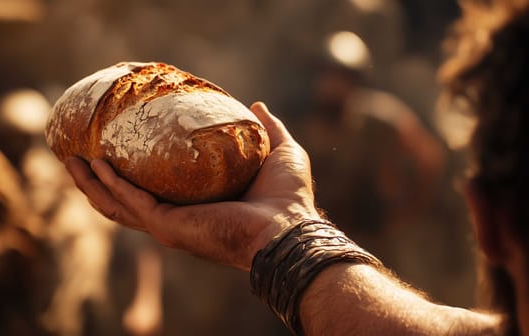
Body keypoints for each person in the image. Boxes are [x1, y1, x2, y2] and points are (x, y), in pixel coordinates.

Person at [65, 0, 528, 334]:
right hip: (326, 244)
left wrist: (398, 209)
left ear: (487, 220)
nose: (334, 86)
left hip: (363, 238)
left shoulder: (379, 119)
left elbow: (425, 157)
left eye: (343, 78)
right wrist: (288, 237)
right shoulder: (307, 121)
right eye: (329, 76)